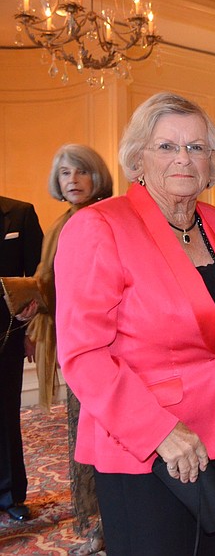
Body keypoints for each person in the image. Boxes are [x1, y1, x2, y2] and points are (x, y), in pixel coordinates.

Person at [54, 92, 215, 555]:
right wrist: (159, 432)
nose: (184, 158)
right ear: (137, 157)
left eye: (196, 147)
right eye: (167, 146)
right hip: (140, 443)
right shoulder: (99, 226)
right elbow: (83, 354)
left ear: (211, 160)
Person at [26, 145, 113, 553]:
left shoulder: (108, 219)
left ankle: (108, 522)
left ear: (98, 177)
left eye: (82, 171)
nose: (73, 180)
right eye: (64, 173)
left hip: (103, 347)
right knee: (83, 438)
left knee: (102, 439)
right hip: (73, 343)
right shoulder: (60, 225)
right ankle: (98, 522)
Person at [0, 196, 43, 521]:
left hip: (8, 333)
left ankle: (9, 493)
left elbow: (38, 278)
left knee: (5, 415)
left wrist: (31, 329)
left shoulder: (20, 213)